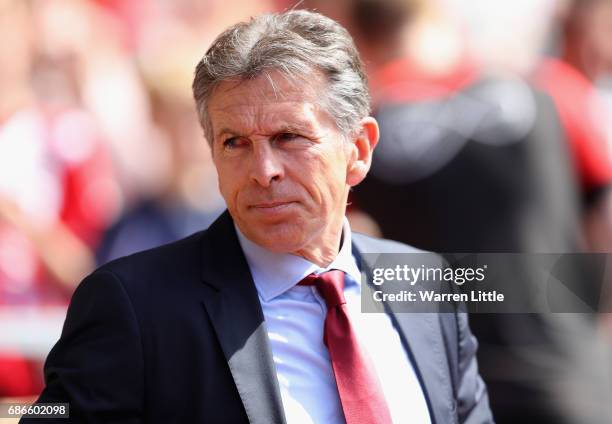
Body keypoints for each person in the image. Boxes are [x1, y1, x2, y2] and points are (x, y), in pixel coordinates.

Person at [22, 10, 492, 423]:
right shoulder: (134, 305)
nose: (263, 170)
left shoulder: (426, 285)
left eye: (289, 137)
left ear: (359, 149)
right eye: (235, 143)